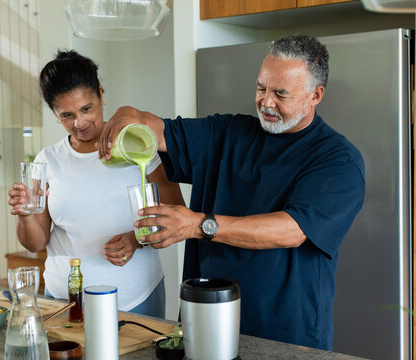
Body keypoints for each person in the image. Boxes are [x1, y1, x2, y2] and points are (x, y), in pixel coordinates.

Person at [98, 35, 365, 350]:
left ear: (315, 95)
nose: (266, 101)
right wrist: (126, 115)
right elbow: (154, 129)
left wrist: (198, 225)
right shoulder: (226, 133)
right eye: (261, 88)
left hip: (288, 335)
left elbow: (291, 230)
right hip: (204, 323)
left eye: (281, 93)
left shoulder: (337, 159)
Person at [7, 50, 184, 318]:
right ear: (55, 113)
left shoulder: (139, 146)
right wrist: (25, 215)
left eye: (86, 109)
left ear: (101, 94)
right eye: (66, 115)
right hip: (64, 302)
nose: (79, 123)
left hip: (135, 299)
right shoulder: (47, 161)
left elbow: (175, 213)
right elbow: (35, 243)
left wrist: (136, 240)